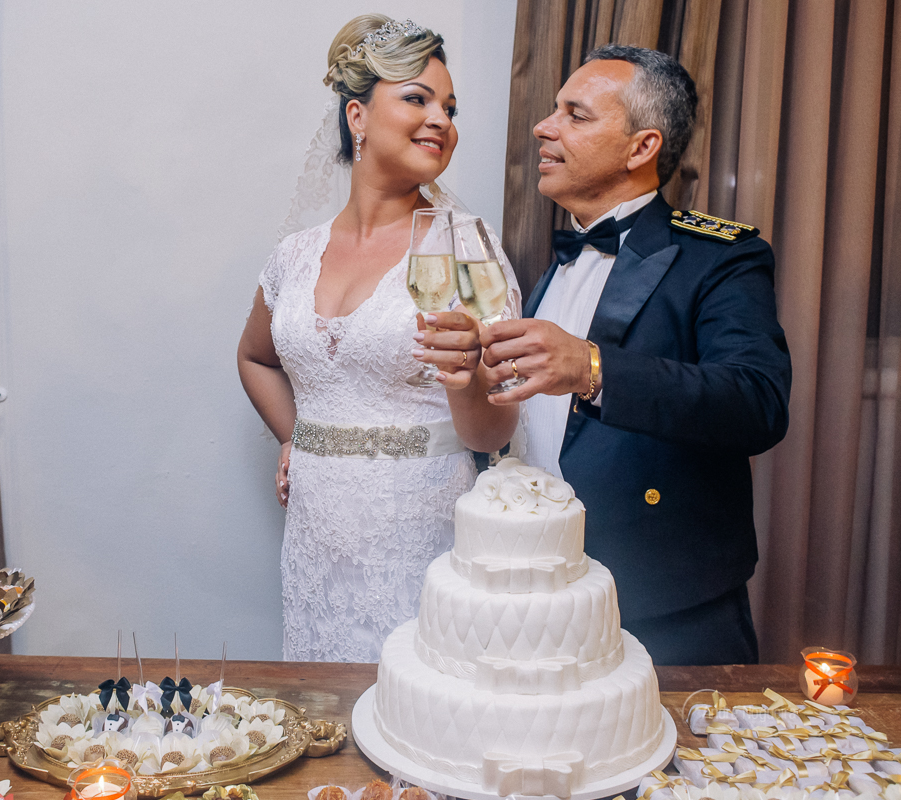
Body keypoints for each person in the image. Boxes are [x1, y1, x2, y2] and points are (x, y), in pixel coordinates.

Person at [473, 45, 791, 665]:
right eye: (552, 111)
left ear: (641, 147)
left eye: (576, 115)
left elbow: (759, 401)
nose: (544, 126)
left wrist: (593, 368)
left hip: (663, 602)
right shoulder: (559, 258)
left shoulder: (721, 257)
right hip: (536, 585)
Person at [237, 15, 519, 662]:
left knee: (415, 726)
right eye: (417, 98)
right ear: (357, 116)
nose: (441, 120)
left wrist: (469, 377)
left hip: (419, 539)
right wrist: (293, 436)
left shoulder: (464, 246)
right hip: (313, 543)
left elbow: (494, 433)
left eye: (449, 107)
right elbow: (255, 357)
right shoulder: (295, 257)